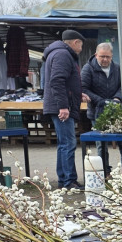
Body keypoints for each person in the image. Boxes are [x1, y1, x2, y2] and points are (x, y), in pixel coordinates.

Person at [42, 30, 87, 190]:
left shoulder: (57, 53)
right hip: (60, 106)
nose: (81, 49)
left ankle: (64, 180)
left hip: (59, 104)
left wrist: (77, 93)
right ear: (75, 42)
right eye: (81, 45)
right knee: (68, 143)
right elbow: (57, 81)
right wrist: (63, 106)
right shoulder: (63, 54)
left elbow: (63, 81)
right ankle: (69, 181)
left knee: (64, 143)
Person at [80, 42, 122, 179]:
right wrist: (100, 101)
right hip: (97, 111)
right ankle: (105, 171)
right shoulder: (88, 69)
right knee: (101, 143)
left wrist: (117, 98)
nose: (105, 59)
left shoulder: (117, 68)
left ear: (112, 56)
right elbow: (83, 88)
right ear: (96, 55)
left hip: (116, 110)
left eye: (108, 57)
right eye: (102, 56)